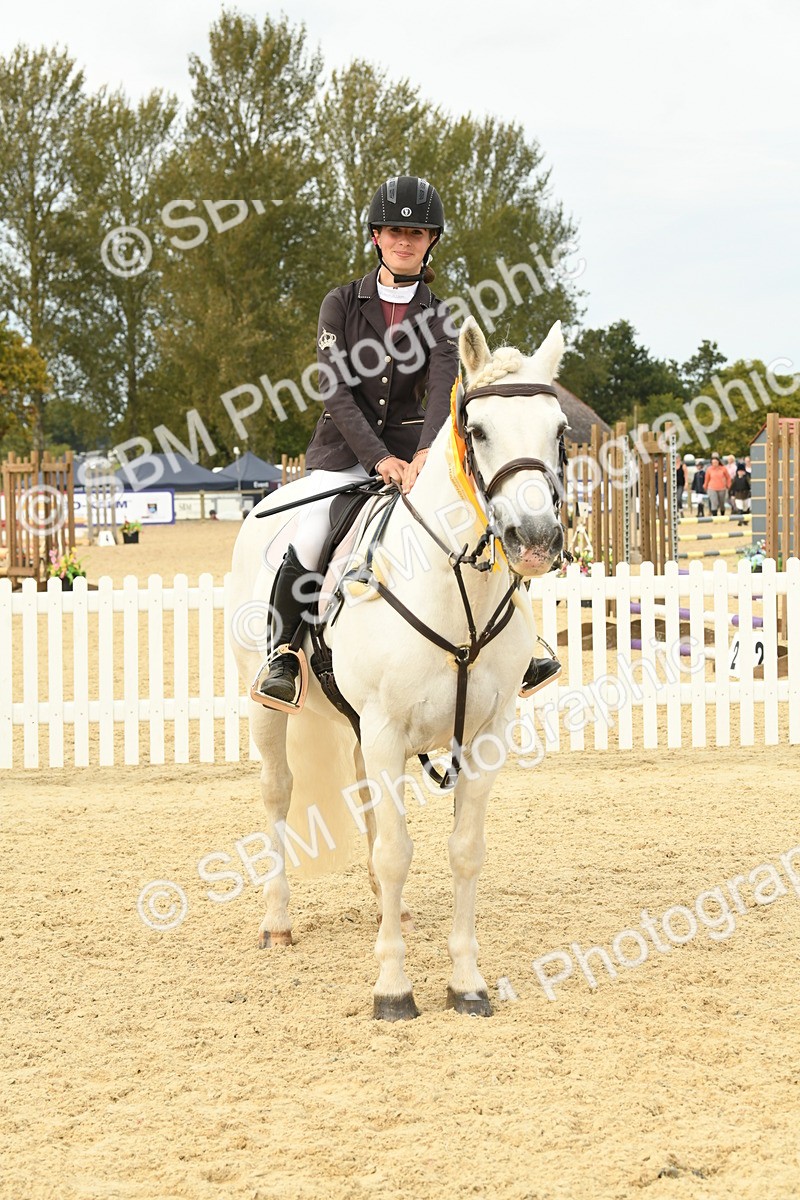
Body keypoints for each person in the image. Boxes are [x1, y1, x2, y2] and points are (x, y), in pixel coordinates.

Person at [254, 175, 561, 706]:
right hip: (344, 451)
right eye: (395, 230)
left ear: (431, 242)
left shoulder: (439, 316)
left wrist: (422, 452)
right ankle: (284, 653)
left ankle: (522, 643)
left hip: (418, 449)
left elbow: (444, 384)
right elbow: (335, 390)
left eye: (416, 233)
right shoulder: (341, 304)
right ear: (376, 236)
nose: (404, 240)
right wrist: (378, 461)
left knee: (481, 523)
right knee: (310, 534)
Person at [703, 452, 730, 517]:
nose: (714, 464)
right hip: (712, 488)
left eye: (716, 462)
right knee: (714, 502)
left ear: (718, 462)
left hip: (722, 488)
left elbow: (728, 477)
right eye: (713, 463)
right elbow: (707, 479)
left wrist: (728, 485)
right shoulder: (709, 469)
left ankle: (722, 515)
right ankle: (714, 516)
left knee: (721, 503)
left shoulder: (723, 468)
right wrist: (705, 486)